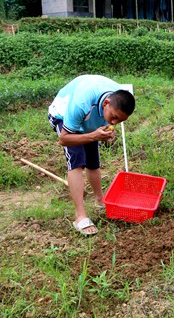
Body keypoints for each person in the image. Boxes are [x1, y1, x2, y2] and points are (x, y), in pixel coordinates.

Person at [48, 75, 135, 236]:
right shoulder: (81, 103)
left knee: (93, 161)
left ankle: (99, 200)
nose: (114, 122)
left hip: (89, 117)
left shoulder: (119, 96)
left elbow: (109, 120)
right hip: (63, 116)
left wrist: (107, 131)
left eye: (120, 120)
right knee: (77, 161)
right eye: (114, 117)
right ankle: (80, 216)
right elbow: (64, 139)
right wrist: (93, 136)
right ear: (106, 103)